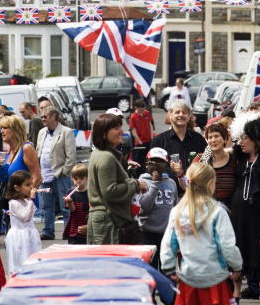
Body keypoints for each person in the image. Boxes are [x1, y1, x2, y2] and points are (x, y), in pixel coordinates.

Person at [160, 163, 243, 305]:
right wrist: (236, 266)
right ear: (211, 183)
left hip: (188, 278)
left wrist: (168, 267)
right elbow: (227, 245)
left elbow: (169, 243)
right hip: (215, 278)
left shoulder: (177, 211)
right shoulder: (218, 211)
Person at [230, 113, 260, 303]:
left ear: (256, 139)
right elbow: (214, 151)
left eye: (245, 138)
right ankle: (236, 292)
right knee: (238, 248)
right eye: (240, 137)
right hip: (238, 211)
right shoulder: (237, 156)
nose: (241, 142)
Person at [88, 112, 147, 244]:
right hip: (110, 222)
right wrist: (135, 184)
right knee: (111, 263)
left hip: (105, 220)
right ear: (103, 134)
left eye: (120, 127)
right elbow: (109, 191)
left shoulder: (99, 154)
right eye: (116, 128)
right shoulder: (106, 157)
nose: (121, 131)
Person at [34, 105, 76, 240]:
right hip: (44, 175)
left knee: (65, 206)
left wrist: (64, 172)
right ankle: (48, 231)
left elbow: (71, 156)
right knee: (46, 206)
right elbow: (38, 151)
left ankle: (68, 230)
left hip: (60, 175)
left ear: (53, 117)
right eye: (42, 117)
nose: (43, 119)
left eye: (45, 117)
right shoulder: (41, 132)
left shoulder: (66, 132)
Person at [138, 147, 179, 267]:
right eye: (152, 162)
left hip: (166, 234)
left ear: (165, 165)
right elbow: (144, 205)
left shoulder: (171, 183)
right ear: (146, 164)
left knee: (167, 268)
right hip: (147, 234)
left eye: (160, 163)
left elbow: (175, 206)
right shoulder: (142, 181)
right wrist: (155, 184)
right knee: (149, 269)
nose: (156, 166)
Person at [148, 101, 208, 179]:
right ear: (170, 115)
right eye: (177, 112)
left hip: (193, 187)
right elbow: (151, 167)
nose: (181, 115)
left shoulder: (199, 139)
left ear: (189, 115)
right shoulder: (159, 140)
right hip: (168, 188)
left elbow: (206, 163)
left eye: (184, 112)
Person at [4, 170, 41, 273]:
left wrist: (30, 200)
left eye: (31, 184)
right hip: (19, 236)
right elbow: (26, 217)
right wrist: (32, 200)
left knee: (33, 262)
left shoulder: (26, 201)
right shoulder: (13, 203)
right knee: (20, 263)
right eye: (27, 185)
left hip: (30, 233)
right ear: (17, 188)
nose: (31, 188)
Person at [197, 122, 236, 205]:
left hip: (231, 208)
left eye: (216, 136)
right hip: (206, 208)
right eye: (210, 137)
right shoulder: (201, 160)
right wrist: (180, 175)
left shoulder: (234, 160)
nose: (213, 140)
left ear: (225, 139)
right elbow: (188, 183)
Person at [0, 114, 42, 189]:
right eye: (1, 128)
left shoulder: (26, 148)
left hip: (25, 198)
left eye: (5, 128)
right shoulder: (9, 151)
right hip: (12, 198)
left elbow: (37, 178)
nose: (1, 131)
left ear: (16, 130)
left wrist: (27, 197)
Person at [63, 164, 90, 244]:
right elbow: (72, 210)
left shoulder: (90, 193)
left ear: (87, 178)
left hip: (87, 227)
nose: (78, 181)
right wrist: (70, 202)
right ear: (72, 179)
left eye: (81, 178)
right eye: (76, 178)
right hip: (74, 229)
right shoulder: (70, 193)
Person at [129, 96, 155, 165]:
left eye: (143, 108)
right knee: (139, 161)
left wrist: (152, 137)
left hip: (148, 141)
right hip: (140, 143)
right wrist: (140, 142)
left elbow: (150, 125)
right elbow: (133, 131)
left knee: (148, 160)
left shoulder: (146, 113)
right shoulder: (133, 117)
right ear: (136, 108)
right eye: (141, 109)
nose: (142, 110)